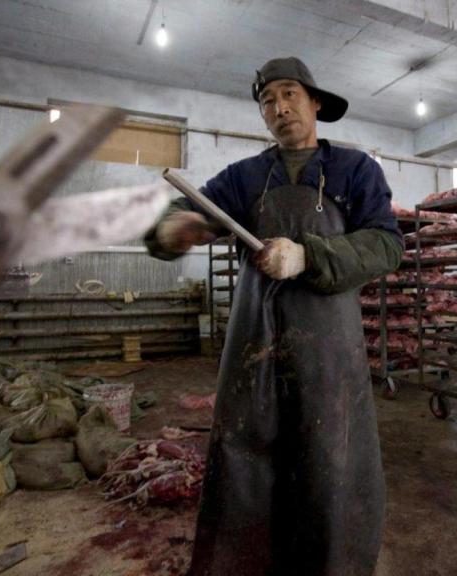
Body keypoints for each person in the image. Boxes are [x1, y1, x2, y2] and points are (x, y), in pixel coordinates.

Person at [144, 57, 403, 576]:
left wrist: (310, 256)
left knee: (330, 457)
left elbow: (386, 243)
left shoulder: (355, 171)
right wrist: (173, 230)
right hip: (254, 339)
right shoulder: (245, 178)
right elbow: (182, 216)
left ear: (316, 102)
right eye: (268, 101)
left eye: (289, 95)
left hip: (329, 343)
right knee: (246, 453)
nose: (279, 108)